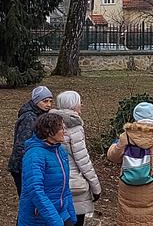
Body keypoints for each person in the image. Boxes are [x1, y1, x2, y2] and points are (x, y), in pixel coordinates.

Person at [106, 102, 153, 225]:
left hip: (128, 187)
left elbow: (113, 157)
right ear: (152, 116)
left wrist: (115, 144)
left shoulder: (126, 136)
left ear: (136, 116)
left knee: (127, 220)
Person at [51, 91, 101, 226]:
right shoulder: (74, 125)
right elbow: (82, 160)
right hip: (74, 185)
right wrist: (96, 188)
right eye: (79, 102)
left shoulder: (49, 123)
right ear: (73, 105)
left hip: (54, 180)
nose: (82, 105)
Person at [17, 113, 77, 226]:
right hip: (38, 218)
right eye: (61, 128)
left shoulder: (60, 151)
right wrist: (55, 221)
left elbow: (65, 187)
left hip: (61, 214)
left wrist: (71, 215)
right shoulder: (34, 155)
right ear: (49, 132)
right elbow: (35, 190)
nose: (65, 131)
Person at [9, 86, 53, 196]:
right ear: (36, 101)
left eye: (50, 101)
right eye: (45, 101)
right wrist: (26, 167)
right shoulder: (29, 118)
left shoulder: (41, 114)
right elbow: (22, 145)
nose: (48, 104)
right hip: (23, 166)